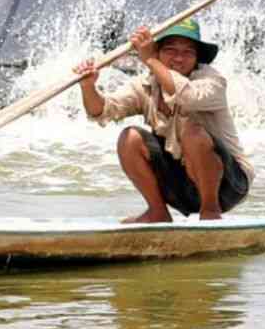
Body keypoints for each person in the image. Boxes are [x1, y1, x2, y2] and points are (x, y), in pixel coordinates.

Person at [73, 18, 253, 223]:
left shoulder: (212, 81)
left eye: (188, 52)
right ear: (158, 51)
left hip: (229, 185)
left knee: (193, 133)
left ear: (196, 59)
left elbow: (186, 96)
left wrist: (150, 60)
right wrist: (88, 87)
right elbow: (102, 111)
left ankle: (210, 213)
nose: (178, 58)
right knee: (130, 138)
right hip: (181, 185)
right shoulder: (145, 85)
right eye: (170, 50)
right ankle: (158, 212)